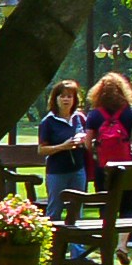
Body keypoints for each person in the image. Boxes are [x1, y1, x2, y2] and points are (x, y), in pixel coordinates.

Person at [83, 72, 132, 265]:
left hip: (104, 168)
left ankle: (105, 243)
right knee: (128, 207)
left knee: (105, 205)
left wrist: (97, 154)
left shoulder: (95, 114)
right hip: (126, 166)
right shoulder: (129, 112)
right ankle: (122, 245)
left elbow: (87, 143)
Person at [37, 80, 87, 222]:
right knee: (55, 209)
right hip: (57, 172)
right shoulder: (48, 122)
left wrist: (85, 141)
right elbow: (41, 150)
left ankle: (76, 244)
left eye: (69, 96)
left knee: (77, 208)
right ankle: (54, 243)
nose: (66, 99)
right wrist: (63, 146)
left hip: (78, 170)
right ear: (55, 99)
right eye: (62, 96)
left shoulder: (80, 118)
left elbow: (90, 139)